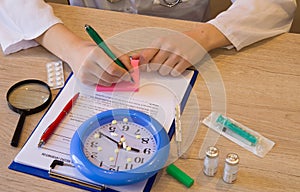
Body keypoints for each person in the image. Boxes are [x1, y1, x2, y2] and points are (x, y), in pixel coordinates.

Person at [0, 0, 297, 85]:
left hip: (188, 57)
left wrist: (206, 36)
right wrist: (71, 49)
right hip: (94, 31)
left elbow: (277, 3)